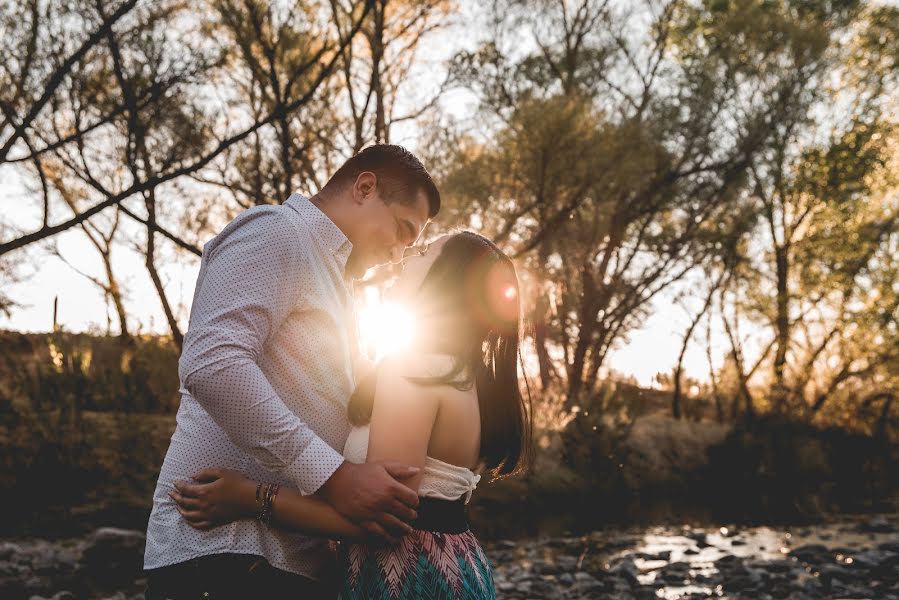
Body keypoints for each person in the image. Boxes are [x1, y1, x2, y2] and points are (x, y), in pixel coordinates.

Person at [144, 144, 441, 598]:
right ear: (365, 187)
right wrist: (334, 477)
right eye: (402, 229)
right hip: (225, 550)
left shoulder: (337, 285)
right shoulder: (278, 232)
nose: (400, 253)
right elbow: (212, 362)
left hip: (286, 563)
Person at [171, 230, 533, 599]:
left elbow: (380, 520)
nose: (407, 254)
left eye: (423, 251)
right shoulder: (468, 378)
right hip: (457, 567)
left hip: (410, 577)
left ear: (445, 281)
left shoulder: (415, 368)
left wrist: (250, 497)